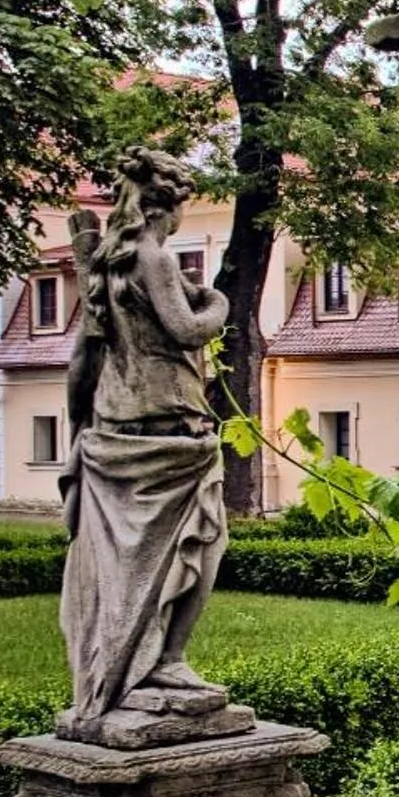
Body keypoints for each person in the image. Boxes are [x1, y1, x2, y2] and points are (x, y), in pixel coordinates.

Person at [58, 152, 240, 740]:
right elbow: (187, 330)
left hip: (114, 428)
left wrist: (78, 426)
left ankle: (125, 669)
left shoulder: (107, 264)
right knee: (206, 541)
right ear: (173, 206)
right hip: (171, 426)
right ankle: (166, 661)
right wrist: (218, 303)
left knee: (123, 564)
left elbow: (83, 358)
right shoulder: (154, 257)